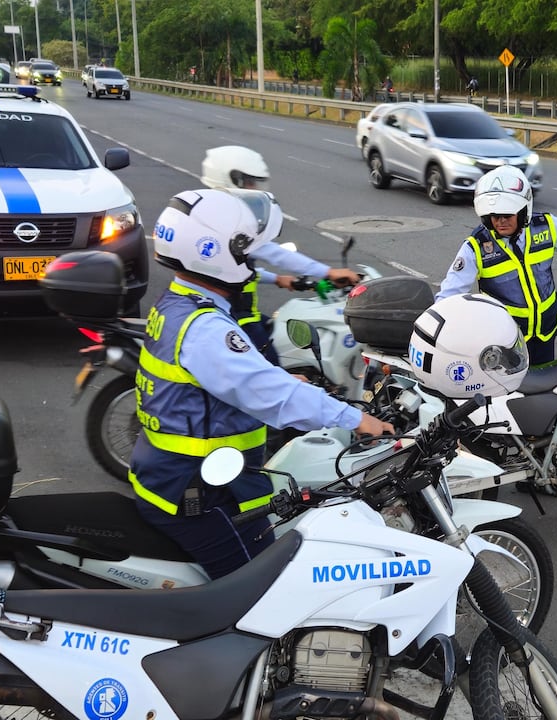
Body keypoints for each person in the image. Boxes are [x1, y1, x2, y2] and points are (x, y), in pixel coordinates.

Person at [131, 188, 394, 579]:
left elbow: (223, 381)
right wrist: (355, 420)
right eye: (243, 250)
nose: (250, 257)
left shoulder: (180, 305)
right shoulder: (206, 328)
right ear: (214, 253)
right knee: (262, 589)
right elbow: (273, 396)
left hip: (178, 476)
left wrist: (283, 377)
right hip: (201, 493)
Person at [436, 165, 557, 365]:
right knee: (509, 394)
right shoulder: (476, 247)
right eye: (494, 216)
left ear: (523, 211)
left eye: (507, 215)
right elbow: (448, 297)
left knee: (546, 390)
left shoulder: (546, 226)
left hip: (546, 333)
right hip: (506, 342)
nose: (500, 222)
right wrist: (437, 334)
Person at [200, 145, 361, 364]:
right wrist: (328, 272)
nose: (255, 187)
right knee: (271, 364)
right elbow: (274, 253)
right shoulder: (226, 220)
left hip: (237, 309)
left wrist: (277, 279)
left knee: (281, 331)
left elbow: (237, 268)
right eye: (250, 181)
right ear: (231, 179)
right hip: (232, 313)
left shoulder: (213, 210)